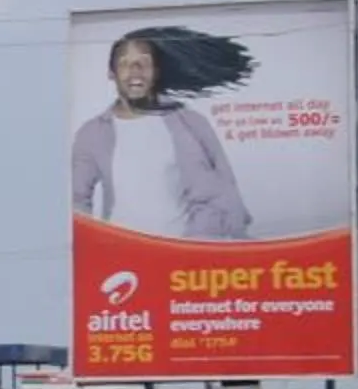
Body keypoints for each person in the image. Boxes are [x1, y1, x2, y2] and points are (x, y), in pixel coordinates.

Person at [71, 28, 253, 240]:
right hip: (123, 260)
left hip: (181, 258)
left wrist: (196, 246)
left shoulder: (190, 124)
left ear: (156, 71)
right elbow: (76, 201)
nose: (135, 69)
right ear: (111, 73)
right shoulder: (91, 134)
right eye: (124, 63)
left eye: (144, 62)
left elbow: (219, 193)